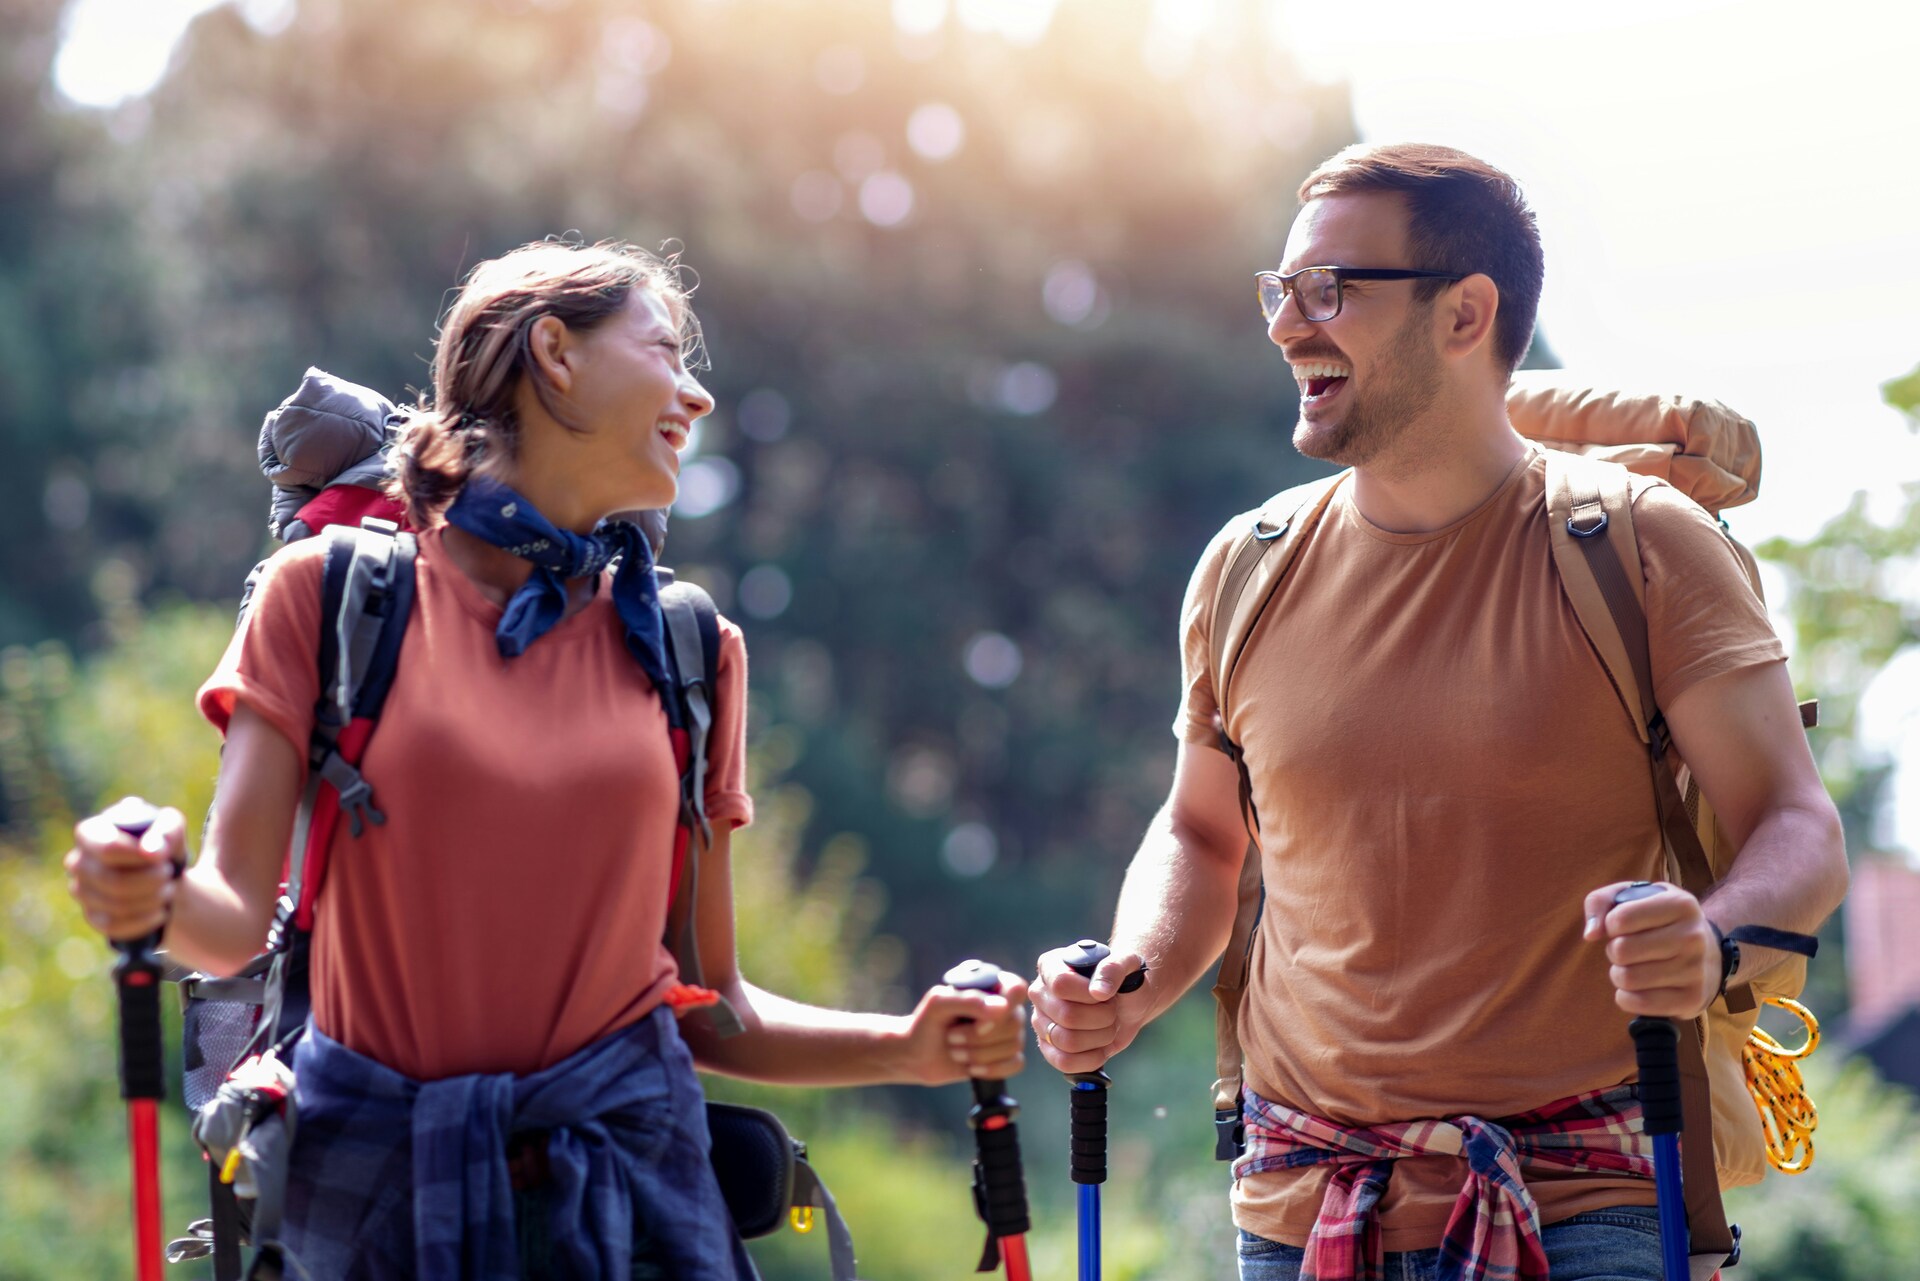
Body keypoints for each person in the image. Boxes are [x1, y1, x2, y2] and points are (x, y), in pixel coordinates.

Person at [64, 240, 1027, 1280]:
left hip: (637, 1207)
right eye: (667, 352)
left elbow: (712, 1007)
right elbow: (226, 923)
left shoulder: (689, 652)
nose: (697, 397)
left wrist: (912, 1048)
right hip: (379, 1201)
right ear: (554, 353)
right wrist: (150, 887)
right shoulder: (333, 596)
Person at [1027, 143, 1848, 1281]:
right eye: (1280, 290)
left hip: (1587, 1209)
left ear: (1466, 314)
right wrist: (1127, 978)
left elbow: (1796, 825)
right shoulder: (1245, 568)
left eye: (1331, 291)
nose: (1286, 326)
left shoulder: (1642, 547)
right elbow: (1204, 835)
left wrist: (1706, 946)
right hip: (1298, 1209)